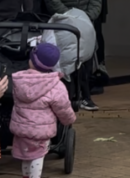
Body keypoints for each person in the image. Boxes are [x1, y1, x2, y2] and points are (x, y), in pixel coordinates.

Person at [42, 0, 103, 111]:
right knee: (67, 63)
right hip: (65, 26)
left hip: (87, 25)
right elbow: (52, 0)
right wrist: (72, 19)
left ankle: (85, 96)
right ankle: (67, 97)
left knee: (87, 62)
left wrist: (88, 16)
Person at [8, 42, 78, 178]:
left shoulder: (19, 80)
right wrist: (69, 119)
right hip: (41, 131)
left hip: (22, 128)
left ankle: (26, 176)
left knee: (27, 155)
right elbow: (62, 108)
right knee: (37, 156)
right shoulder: (56, 86)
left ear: (31, 61)